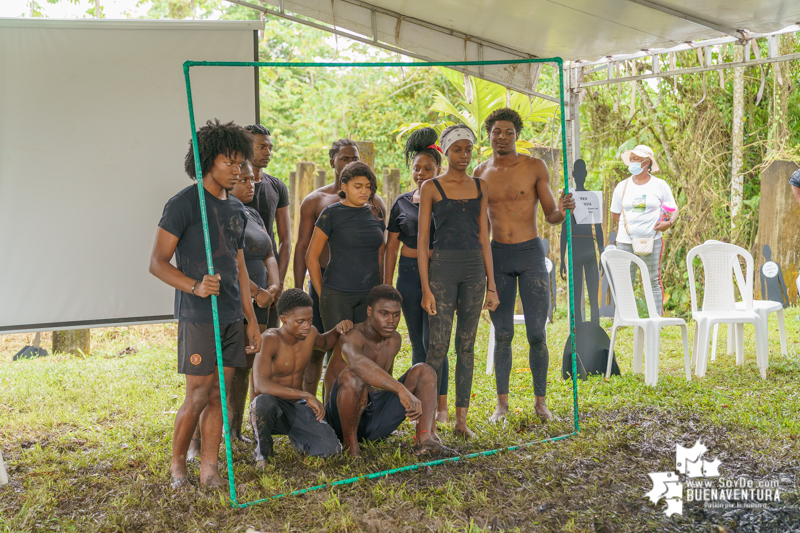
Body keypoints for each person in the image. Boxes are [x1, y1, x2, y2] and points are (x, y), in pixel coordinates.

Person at [149, 119, 262, 489]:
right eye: (229, 162)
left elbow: (240, 267)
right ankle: (178, 466)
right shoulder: (183, 204)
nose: (238, 169)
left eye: (240, 162)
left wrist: (251, 318)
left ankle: (210, 468)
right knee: (198, 394)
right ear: (206, 162)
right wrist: (195, 286)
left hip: (231, 313)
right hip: (199, 314)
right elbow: (158, 263)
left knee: (221, 394)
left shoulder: (237, 210)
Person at [474, 108, 576, 423]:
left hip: (531, 255)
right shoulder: (480, 172)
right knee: (502, 333)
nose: (502, 137)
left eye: (508, 132)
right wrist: (485, 272)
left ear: (517, 135)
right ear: (488, 134)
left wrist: (563, 209)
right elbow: (481, 228)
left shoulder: (534, 167)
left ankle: (541, 403)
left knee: (536, 333)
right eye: (496, 131)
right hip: (498, 256)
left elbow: (551, 216)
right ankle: (501, 406)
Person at [418, 124, 499, 439]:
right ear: (446, 152)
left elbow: (484, 238)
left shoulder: (481, 186)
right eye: (457, 150)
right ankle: (428, 421)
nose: (463, 155)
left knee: (466, 346)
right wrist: (426, 288)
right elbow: (424, 239)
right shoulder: (431, 188)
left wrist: (492, 285)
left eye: (468, 149)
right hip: (441, 270)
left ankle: (461, 421)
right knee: (437, 346)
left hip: (474, 270)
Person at [323, 285, 452, 457]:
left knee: (425, 371)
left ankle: (424, 439)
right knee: (354, 376)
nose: (391, 320)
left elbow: (384, 383)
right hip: (339, 422)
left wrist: (401, 395)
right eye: (383, 314)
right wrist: (401, 390)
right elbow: (358, 364)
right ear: (370, 311)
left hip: (373, 419)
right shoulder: (351, 336)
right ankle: (351, 448)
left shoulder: (394, 340)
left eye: (396, 314)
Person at [384, 127, 449, 423]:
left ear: (439, 169)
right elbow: (391, 250)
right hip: (408, 277)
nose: (421, 173)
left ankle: (443, 407)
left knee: (436, 341)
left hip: (439, 276)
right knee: (417, 342)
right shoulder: (401, 203)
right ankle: (421, 406)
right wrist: (387, 287)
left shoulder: (447, 201)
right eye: (417, 168)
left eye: (428, 168)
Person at [306, 161, 387, 399]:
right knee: (340, 356)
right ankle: (331, 414)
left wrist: (380, 290)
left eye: (368, 186)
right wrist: (323, 295)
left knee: (366, 353)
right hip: (337, 293)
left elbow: (380, 253)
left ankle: (360, 410)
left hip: (369, 295)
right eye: (358, 186)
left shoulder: (375, 213)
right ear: (344, 186)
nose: (364, 191)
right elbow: (311, 257)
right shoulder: (331, 213)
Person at [250, 289, 352, 464]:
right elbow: (260, 385)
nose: (307, 325)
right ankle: (263, 452)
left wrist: (338, 329)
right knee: (263, 402)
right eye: (300, 321)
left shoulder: (310, 333)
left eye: (310, 320)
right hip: (271, 410)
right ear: (284, 319)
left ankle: (300, 436)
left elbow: (326, 343)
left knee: (331, 449)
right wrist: (305, 394)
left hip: (296, 407)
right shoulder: (269, 340)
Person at [293, 139, 361, 395]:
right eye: (344, 158)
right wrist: (299, 291)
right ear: (332, 162)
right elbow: (301, 247)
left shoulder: (371, 200)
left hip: (357, 288)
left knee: (352, 348)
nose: (350, 163)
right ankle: (308, 404)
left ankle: (349, 404)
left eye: (354, 158)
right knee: (315, 348)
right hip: (322, 284)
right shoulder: (316, 200)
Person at [610, 144, 678, 316]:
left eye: (637, 159)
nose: (633, 162)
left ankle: (656, 319)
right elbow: (615, 214)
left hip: (652, 239)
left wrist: (668, 223)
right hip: (625, 241)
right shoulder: (622, 186)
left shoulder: (660, 185)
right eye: (631, 159)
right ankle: (624, 318)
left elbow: (674, 209)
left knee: (653, 280)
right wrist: (632, 227)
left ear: (647, 163)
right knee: (625, 281)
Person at [244, 124, 292, 329]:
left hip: (269, 270)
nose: (268, 152)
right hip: (241, 270)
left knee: (269, 337)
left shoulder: (277, 187)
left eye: (270, 147)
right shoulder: (230, 187)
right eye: (261, 147)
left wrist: (278, 281)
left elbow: (285, 239)